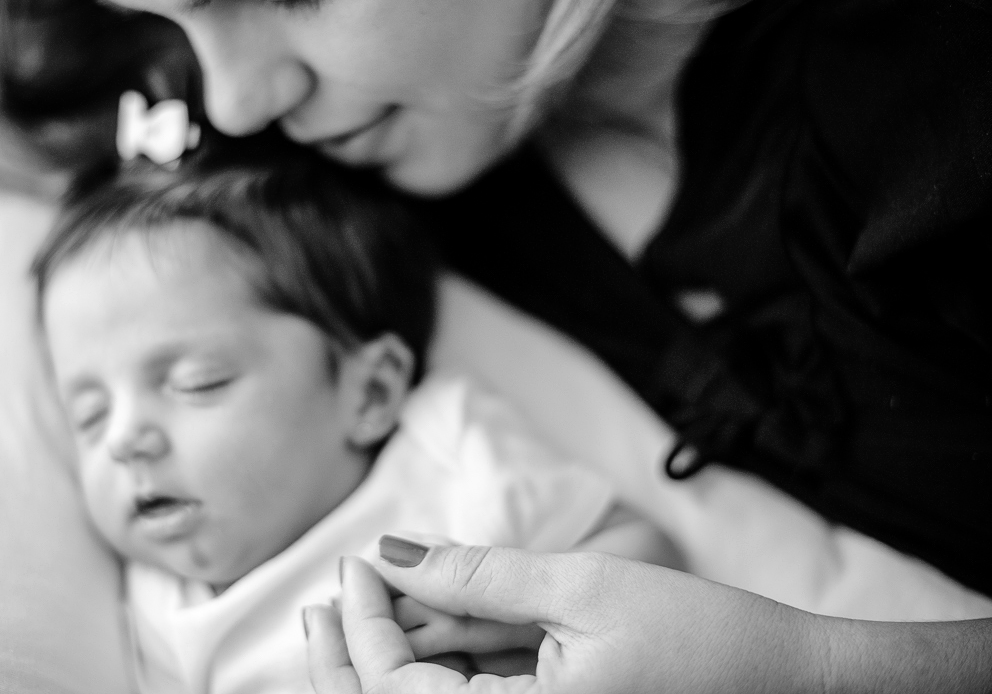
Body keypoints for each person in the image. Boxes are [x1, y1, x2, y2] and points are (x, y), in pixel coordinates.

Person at [0, 0, 992, 689]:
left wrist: (825, 671)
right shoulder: (347, 175)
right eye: (163, 17)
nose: (232, 102)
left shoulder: (940, 54)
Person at [33, 127, 677, 693]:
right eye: (88, 415)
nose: (122, 438)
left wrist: (520, 625)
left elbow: (646, 562)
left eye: (197, 383)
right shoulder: (160, 606)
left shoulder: (448, 452)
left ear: (368, 393)